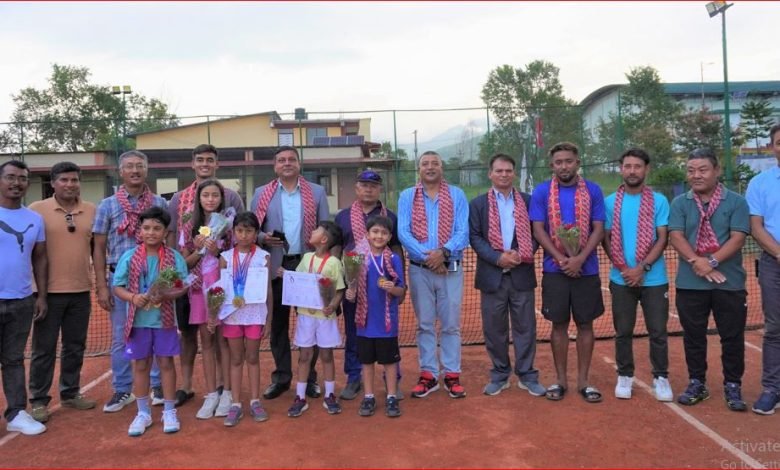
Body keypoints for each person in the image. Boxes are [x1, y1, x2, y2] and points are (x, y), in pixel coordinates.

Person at [669, 148, 750, 412]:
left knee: (732, 337)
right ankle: (697, 383)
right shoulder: (680, 203)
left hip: (730, 283)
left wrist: (711, 262)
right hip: (690, 283)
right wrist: (698, 263)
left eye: (703, 170)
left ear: (717, 170)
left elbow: (738, 238)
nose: (696, 175)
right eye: (691, 170)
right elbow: (676, 236)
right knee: (693, 337)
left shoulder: (736, 202)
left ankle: (733, 385)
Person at [167, 144, 244, 408]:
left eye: (209, 160)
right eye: (200, 159)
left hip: (222, 282)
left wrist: (217, 250)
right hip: (192, 283)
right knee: (189, 333)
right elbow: (174, 237)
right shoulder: (178, 199)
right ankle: (187, 385)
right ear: (193, 163)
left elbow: (240, 236)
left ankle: (223, 386)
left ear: (217, 164)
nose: (204, 164)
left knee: (222, 335)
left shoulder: (232, 197)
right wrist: (179, 269)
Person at [250, 146, 329, 400]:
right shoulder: (261, 193)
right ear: (275, 166)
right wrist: (263, 237)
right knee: (278, 325)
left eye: (291, 159)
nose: (287, 163)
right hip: (275, 266)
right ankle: (282, 378)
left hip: (306, 265)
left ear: (298, 164)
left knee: (310, 322)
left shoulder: (316, 192)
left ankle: (310, 378)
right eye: (282, 160)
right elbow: (251, 228)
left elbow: (325, 229)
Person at [530, 141, 606, 404]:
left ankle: (583, 381)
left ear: (577, 163)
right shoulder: (542, 191)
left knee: (585, 324)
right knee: (559, 324)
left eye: (569, 161)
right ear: (552, 165)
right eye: (559, 162)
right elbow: (538, 229)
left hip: (587, 270)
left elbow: (598, 228)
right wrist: (562, 258)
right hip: (555, 270)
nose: (564, 166)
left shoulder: (593, 190)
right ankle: (561, 380)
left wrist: (580, 259)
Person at [93, 150, 167, 412]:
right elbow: (98, 247)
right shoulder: (107, 205)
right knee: (121, 337)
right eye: (129, 166)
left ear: (146, 170)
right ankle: (122, 389)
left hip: (154, 278)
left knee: (156, 332)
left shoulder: (160, 203)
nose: (135, 171)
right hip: (121, 281)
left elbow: (167, 243)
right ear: (121, 171)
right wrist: (102, 286)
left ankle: (158, 385)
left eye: (139, 166)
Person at [469, 153, 545, 397]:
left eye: (508, 171)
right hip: (492, 276)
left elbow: (537, 233)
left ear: (514, 174)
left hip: (522, 274)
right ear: (490, 174)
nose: (504, 174)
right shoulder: (478, 204)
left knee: (526, 327)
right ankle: (500, 375)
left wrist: (521, 254)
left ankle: (527, 375)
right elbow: (475, 237)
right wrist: (497, 258)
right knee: (494, 330)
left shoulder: (528, 201)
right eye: (499, 170)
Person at [28, 162, 97, 424]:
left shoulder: (91, 210)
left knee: (75, 347)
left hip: (80, 291)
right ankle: (38, 400)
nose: (70, 184)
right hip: (47, 294)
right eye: (64, 180)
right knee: (43, 349)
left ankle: (70, 392)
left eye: (74, 180)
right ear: (53, 182)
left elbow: (97, 250)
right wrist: (38, 293)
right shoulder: (37, 210)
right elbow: (31, 252)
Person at [397, 151, 470, 399]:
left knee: (451, 325)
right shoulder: (407, 196)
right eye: (425, 164)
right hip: (420, 269)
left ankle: (452, 374)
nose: (430, 167)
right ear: (418, 169)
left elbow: (463, 231)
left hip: (451, 268)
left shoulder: (457, 195)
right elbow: (403, 232)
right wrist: (430, 257)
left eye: (435, 163)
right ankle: (428, 375)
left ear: (442, 167)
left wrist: (443, 253)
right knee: (425, 324)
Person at [602, 148, 672, 402]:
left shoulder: (660, 201)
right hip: (621, 279)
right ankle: (625, 375)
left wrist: (642, 268)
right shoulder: (609, 202)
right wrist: (624, 269)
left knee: (658, 331)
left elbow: (662, 238)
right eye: (628, 166)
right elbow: (606, 238)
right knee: (623, 331)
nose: (632, 171)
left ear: (646, 169)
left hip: (654, 279)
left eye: (637, 166)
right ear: (621, 169)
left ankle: (661, 377)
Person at [112, 207, 189, 436]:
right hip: (138, 322)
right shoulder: (129, 257)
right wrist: (133, 297)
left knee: (166, 363)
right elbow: (118, 286)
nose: (151, 232)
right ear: (140, 231)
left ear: (165, 232)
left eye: (157, 228)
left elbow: (183, 285)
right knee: (141, 365)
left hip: (164, 322)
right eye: (146, 228)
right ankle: (143, 412)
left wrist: (167, 294)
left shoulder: (174, 258)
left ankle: (169, 410)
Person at [334, 169, 404, 400]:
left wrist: (400, 284)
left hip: (382, 286)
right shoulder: (342, 216)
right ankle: (354, 377)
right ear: (356, 188)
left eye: (373, 186)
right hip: (354, 285)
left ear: (379, 189)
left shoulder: (390, 216)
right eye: (364, 185)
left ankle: (392, 378)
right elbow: (337, 248)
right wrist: (337, 284)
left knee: (387, 330)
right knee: (354, 330)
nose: (368, 189)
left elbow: (396, 248)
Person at [0, 160, 47, 435]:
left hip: (21, 300)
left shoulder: (34, 219)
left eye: (22, 178)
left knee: (13, 359)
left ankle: (17, 412)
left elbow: (40, 258)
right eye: (10, 177)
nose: (16, 183)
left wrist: (41, 295)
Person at [181, 179, 234, 419]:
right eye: (206, 195)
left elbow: (235, 259)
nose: (210, 199)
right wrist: (198, 249)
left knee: (224, 342)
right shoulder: (189, 226)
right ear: (199, 199)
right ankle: (211, 393)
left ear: (221, 198)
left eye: (215, 195)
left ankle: (227, 392)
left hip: (223, 287)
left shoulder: (229, 226)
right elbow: (184, 264)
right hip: (198, 290)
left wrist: (217, 251)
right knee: (207, 341)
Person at [345, 215, 406, 417]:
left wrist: (391, 288)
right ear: (367, 234)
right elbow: (352, 287)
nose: (379, 236)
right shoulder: (357, 258)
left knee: (390, 362)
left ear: (389, 237)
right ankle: (369, 396)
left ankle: (391, 396)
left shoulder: (394, 259)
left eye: (384, 233)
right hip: (365, 323)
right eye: (375, 232)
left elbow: (401, 290)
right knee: (367, 362)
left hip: (386, 323)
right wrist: (351, 292)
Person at [283, 221, 345, 417]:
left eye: (316, 230)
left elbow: (340, 290)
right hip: (305, 316)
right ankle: (300, 397)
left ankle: (330, 395)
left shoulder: (334, 263)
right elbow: (297, 281)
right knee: (304, 356)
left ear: (324, 239)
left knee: (326, 355)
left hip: (325, 317)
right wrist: (285, 275)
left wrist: (333, 305)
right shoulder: (307, 258)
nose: (312, 231)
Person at [217, 212, 273, 426]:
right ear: (233, 232)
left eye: (249, 231)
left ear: (256, 233)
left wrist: (268, 319)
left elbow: (268, 289)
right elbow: (220, 290)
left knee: (252, 357)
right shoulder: (225, 257)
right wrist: (216, 314)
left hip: (255, 315)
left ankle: (255, 401)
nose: (244, 235)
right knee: (236, 359)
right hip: (232, 315)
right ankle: (235, 404)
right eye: (240, 230)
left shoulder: (263, 257)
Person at [746, 123, 780, 415]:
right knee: (775, 328)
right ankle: (772, 389)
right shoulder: (759, 183)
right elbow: (756, 227)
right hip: (773, 262)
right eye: (779, 142)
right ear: (772, 147)